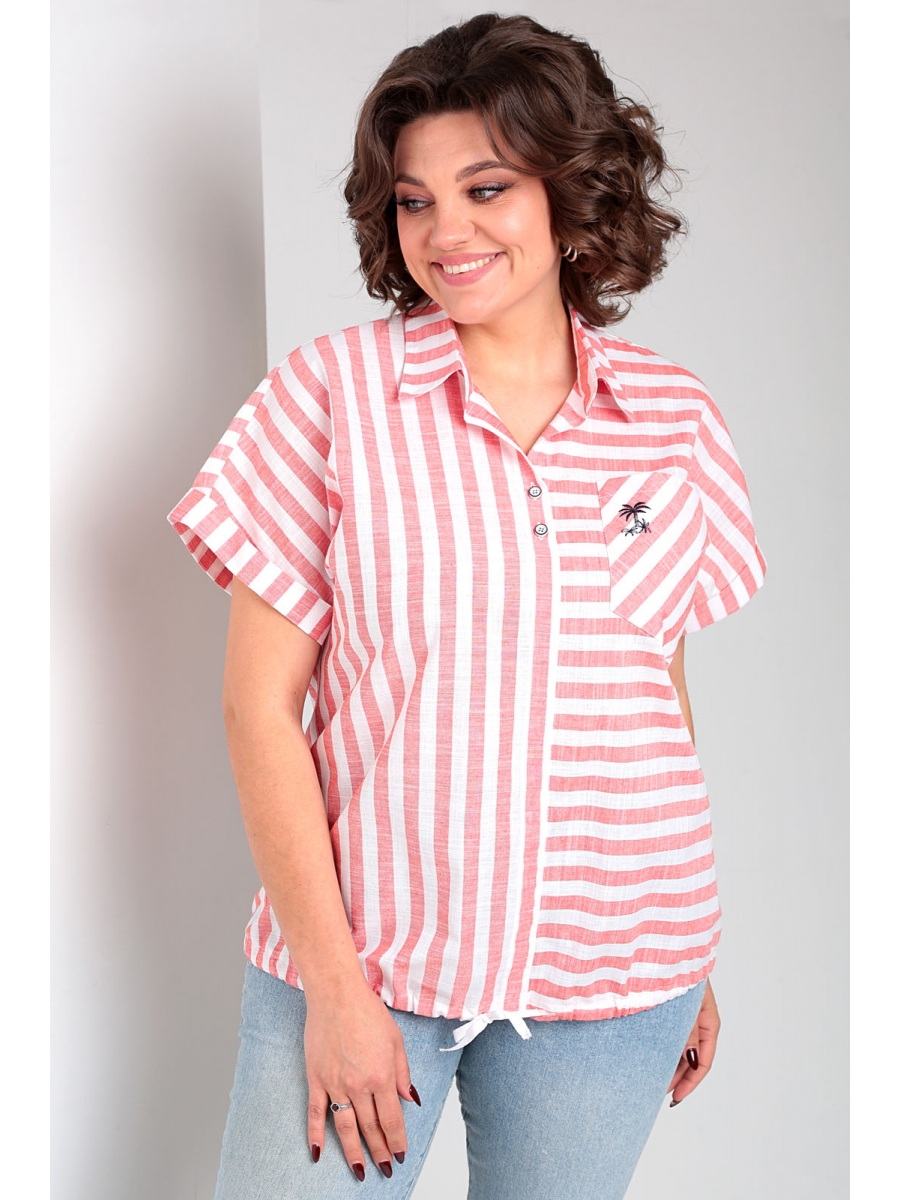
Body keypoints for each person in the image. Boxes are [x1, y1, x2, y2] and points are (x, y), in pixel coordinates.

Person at [168, 13, 766, 1199]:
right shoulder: (332, 398)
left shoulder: (674, 418)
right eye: (414, 200)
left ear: (569, 189)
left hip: (619, 967)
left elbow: (655, 688)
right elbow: (257, 711)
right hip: (368, 959)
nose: (447, 231)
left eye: (486, 188)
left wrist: (683, 956)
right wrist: (335, 990)